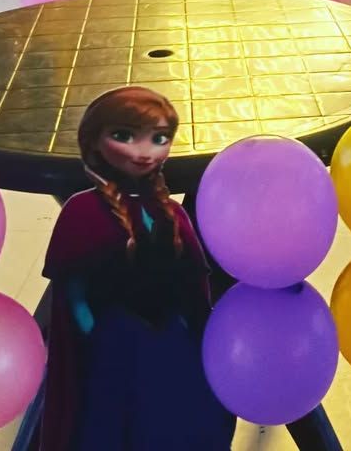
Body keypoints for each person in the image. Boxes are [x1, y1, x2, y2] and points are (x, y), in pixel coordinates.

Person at [39, 87, 235, 451]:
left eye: (158, 138)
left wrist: (197, 332)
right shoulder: (81, 212)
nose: (144, 152)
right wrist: (97, 334)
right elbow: (72, 292)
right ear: (94, 142)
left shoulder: (171, 213)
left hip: (171, 345)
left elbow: (193, 286)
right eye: (124, 136)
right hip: (114, 352)